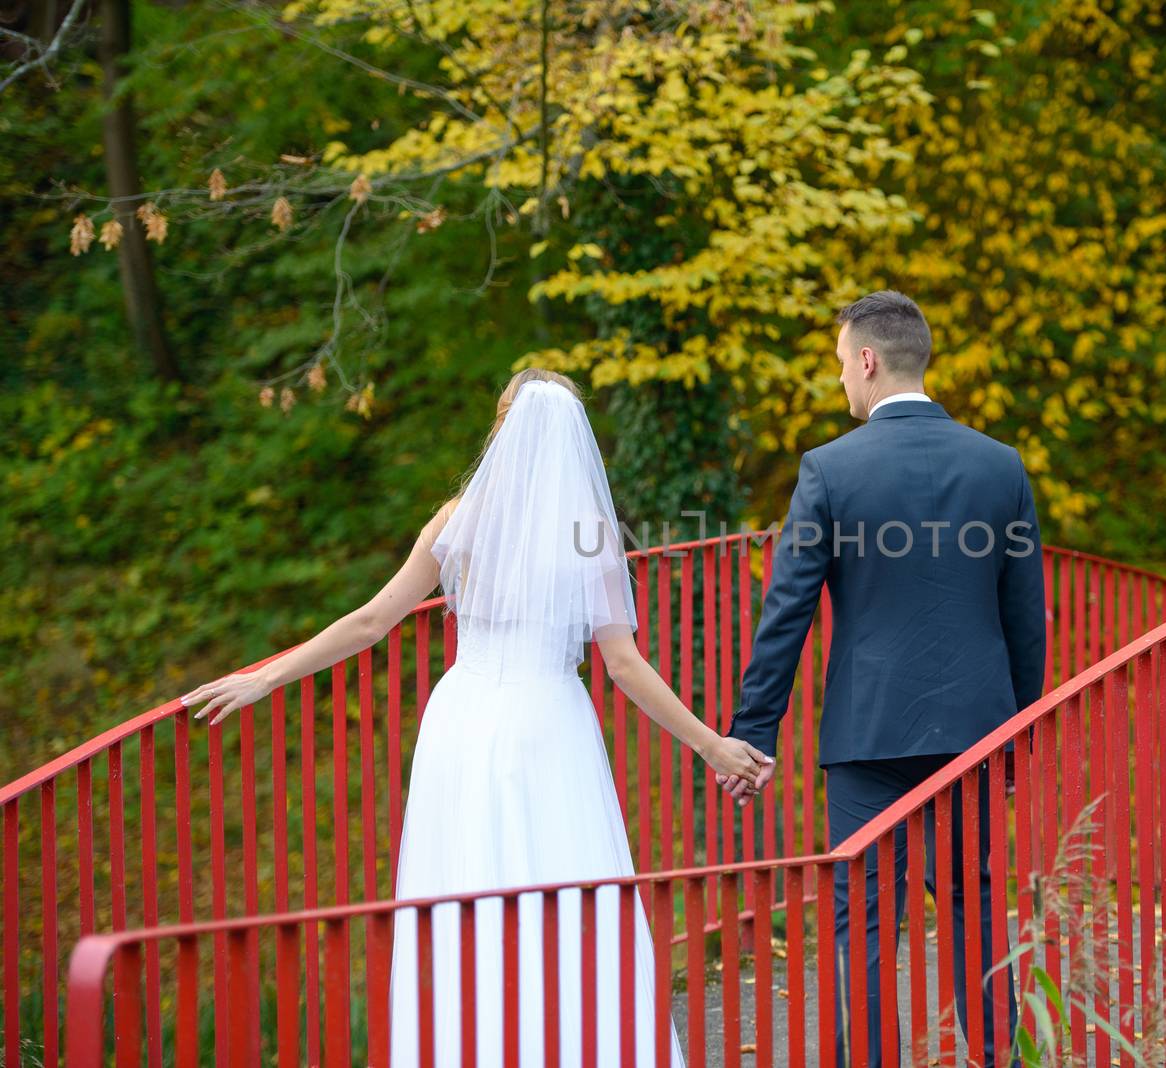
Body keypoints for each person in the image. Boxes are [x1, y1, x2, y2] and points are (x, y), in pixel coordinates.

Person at [181, 368, 771, 1067]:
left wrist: (264, 677)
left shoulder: (460, 518)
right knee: (566, 889)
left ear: (502, 429)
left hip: (461, 722)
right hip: (547, 724)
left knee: (463, 887)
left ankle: (475, 1045)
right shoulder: (589, 533)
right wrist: (709, 745)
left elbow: (372, 621)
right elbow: (622, 665)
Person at [719, 291, 1046, 1067]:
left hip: (867, 734)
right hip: (975, 732)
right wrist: (1015, 737)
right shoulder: (1000, 468)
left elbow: (786, 613)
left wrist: (753, 733)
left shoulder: (830, 470)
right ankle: (996, 1055)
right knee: (972, 902)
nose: (842, 382)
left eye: (840, 366)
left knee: (863, 918)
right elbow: (1025, 617)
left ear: (867, 360)